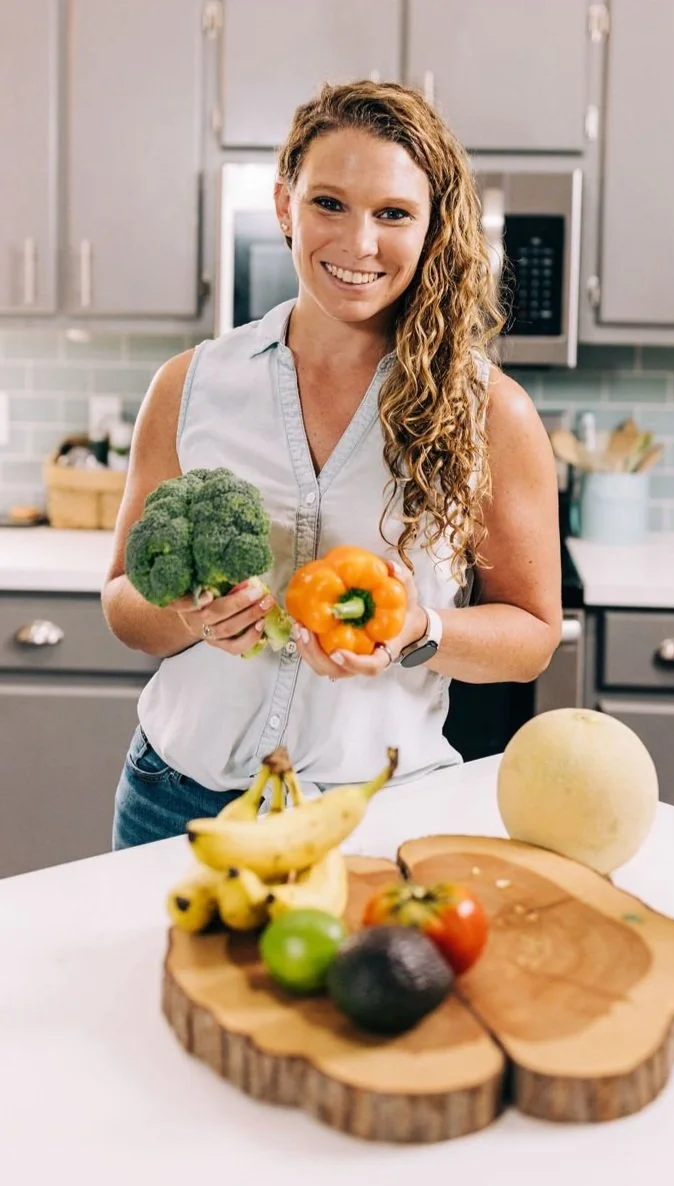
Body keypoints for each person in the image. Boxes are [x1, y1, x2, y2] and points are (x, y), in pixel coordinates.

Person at [102, 80, 562, 849]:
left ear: (429, 228)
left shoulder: (489, 412)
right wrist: (186, 613)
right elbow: (123, 602)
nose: (357, 244)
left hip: (373, 817)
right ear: (284, 205)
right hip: (172, 804)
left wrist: (418, 629)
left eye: (392, 213)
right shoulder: (191, 385)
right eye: (328, 204)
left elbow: (532, 635)